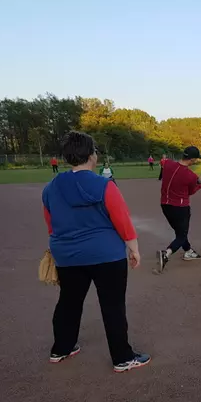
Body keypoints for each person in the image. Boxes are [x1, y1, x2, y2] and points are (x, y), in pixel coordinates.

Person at [42, 131, 150, 373]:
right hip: (105, 255)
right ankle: (122, 357)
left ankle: (62, 347)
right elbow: (122, 220)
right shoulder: (104, 185)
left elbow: (51, 223)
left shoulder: (51, 187)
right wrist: (134, 249)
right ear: (91, 155)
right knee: (112, 305)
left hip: (67, 255)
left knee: (69, 301)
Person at [156, 146, 201, 272]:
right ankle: (166, 254)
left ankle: (188, 251)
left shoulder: (167, 164)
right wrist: (200, 185)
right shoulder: (190, 176)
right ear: (192, 159)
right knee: (182, 236)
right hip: (180, 208)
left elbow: (163, 162)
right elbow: (191, 191)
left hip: (165, 206)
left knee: (179, 232)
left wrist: (197, 179)